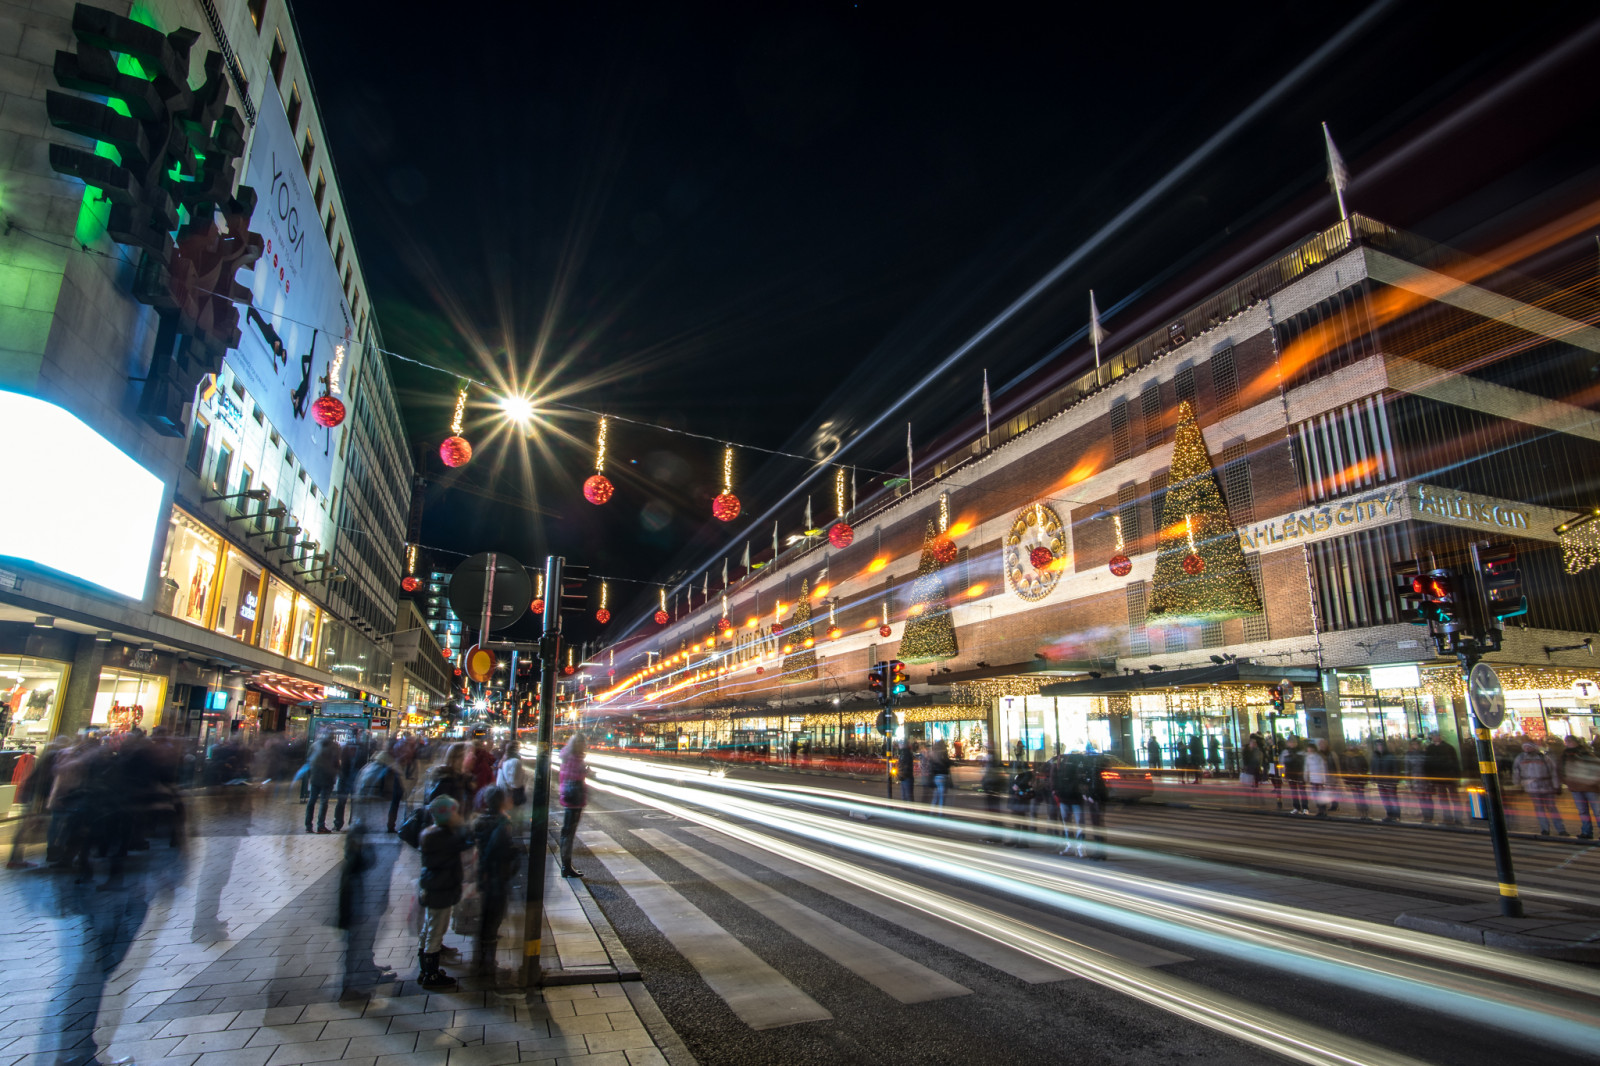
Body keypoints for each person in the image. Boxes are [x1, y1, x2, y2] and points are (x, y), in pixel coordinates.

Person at [417, 794, 470, 990]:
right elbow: (467, 842)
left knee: (429, 927)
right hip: (441, 889)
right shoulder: (445, 837)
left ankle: (425, 970)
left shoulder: (431, 833)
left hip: (433, 886)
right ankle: (431, 975)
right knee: (436, 931)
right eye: (455, 812)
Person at [472, 786, 519, 976]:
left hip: (485, 874)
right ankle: (488, 964)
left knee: (487, 918)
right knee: (493, 918)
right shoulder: (502, 822)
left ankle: (481, 959)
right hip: (496, 875)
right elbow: (499, 850)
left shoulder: (481, 819)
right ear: (501, 801)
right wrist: (515, 852)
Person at [1512, 741, 1568, 836]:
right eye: (1525, 747)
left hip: (1546, 786)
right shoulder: (1520, 758)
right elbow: (1516, 771)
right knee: (1540, 809)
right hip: (1532, 787)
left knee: (1551, 808)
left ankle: (1561, 829)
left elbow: (1553, 771)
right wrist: (1517, 784)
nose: (1527, 749)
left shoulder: (1543, 757)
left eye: (1529, 747)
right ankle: (1545, 829)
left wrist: (1556, 785)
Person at [558, 733, 589, 878]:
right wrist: (584, 772)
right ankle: (566, 867)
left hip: (572, 797)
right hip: (573, 798)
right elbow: (571, 776)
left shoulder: (569, 757)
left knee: (568, 833)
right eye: (582, 743)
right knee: (568, 834)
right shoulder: (573, 758)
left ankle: (566, 866)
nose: (584, 746)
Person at [1559, 735, 1600, 840]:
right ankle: (1586, 832)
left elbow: (1596, 767)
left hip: (1590, 787)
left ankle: (1587, 831)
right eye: (1566, 741)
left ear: (1576, 742)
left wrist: (1594, 781)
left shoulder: (1585, 753)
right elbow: (1561, 769)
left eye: (1570, 741)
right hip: (1576, 787)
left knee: (1597, 811)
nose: (1568, 743)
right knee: (1582, 811)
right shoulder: (1565, 755)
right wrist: (1567, 781)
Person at [1423, 731, 1464, 826]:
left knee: (1451, 798)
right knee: (1445, 799)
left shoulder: (1445, 748)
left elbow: (1454, 763)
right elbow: (1428, 764)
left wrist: (1457, 777)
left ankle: (1455, 818)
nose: (1435, 737)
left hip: (1447, 777)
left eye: (1436, 736)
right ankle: (1449, 818)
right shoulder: (1433, 748)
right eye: (1434, 736)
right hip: (1442, 778)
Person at [304, 733, 341, 834]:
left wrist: (310, 775)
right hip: (328, 778)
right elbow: (336, 762)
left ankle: (308, 826)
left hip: (315, 777)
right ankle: (321, 826)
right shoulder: (335, 746)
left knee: (311, 801)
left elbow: (308, 760)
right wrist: (336, 773)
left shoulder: (314, 745)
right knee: (324, 802)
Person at [1051, 752, 1085, 857]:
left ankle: (1076, 846)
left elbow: (1057, 779)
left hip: (1069, 798)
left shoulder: (1066, 767)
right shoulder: (1066, 767)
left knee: (1072, 823)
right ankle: (1077, 847)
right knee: (1074, 824)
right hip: (1069, 798)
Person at [425, 742, 473, 809]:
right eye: (468, 755)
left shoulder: (462, 778)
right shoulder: (446, 780)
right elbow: (438, 808)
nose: (472, 758)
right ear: (457, 759)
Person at [1370, 738, 1402, 823]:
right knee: (1385, 799)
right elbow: (1373, 768)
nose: (1379, 747)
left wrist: (1395, 780)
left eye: (1381, 745)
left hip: (1390, 782)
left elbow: (1395, 769)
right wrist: (1372, 778)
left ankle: (1397, 815)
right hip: (1380, 782)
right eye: (1378, 745)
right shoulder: (1375, 757)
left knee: (1393, 799)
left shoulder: (1390, 756)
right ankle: (1389, 814)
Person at [979, 744, 1007, 843]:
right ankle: (995, 835)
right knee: (993, 813)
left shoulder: (994, 762)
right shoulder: (992, 762)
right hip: (991, 789)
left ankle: (997, 836)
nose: (987, 750)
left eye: (989, 748)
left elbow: (993, 776)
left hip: (993, 789)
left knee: (994, 813)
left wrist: (989, 786)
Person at [1007, 758, 1035, 848]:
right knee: (1017, 817)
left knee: (1021, 817)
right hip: (1016, 793)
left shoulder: (1021, 763)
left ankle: (1023, 841)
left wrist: (1018, 785)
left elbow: (1028, 775)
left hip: (1020, 794)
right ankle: (1016, 839)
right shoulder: (1015, 762)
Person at [1341, 743, 1371, 820]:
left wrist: (1362, 774)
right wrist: (1346, 780)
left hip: (1359, 779)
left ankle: (1364, 811)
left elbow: (1365, 767)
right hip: (1352, 779)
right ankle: (1361, 812)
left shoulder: (1359, 756)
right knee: (1356, 796)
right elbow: (1344, 769)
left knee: (1360, 796)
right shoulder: (1346, 757)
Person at [1305, 739, 1333, 818]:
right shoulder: (1308, 757)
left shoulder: (1318, 757)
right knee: (1316, 795)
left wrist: (1324, 779)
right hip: (1314, 779)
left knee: (1320, 795)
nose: (1309, 750)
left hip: (1319, 779)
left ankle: (1322, 810)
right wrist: (1306, 777)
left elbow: (1323, 768)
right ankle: (1320, 810)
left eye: (1310, 749)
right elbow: (1307, 768)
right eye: (1308, 749)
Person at [1281, 736, 1308, 815]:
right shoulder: (1285, 752)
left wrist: (1306, 774)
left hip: (1300, 773)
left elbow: (1306, 764)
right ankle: (1296, 807)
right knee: (1294, 791)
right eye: (1290, 742)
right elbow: (1282, 764)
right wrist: (1283, 775)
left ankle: (1305, 808)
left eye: (1293, 742)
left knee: (1302, 791)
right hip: (1290, 774)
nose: (1292, 743)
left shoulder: (1302, 752)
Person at [928, 739, 952, 813]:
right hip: (943, 776)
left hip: (936, 777)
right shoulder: (943, 753)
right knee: (942, 797)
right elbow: (947, 764)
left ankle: (932, 812)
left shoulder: (933, 754)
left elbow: (931, 766)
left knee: (935, 797)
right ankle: (941, 813)